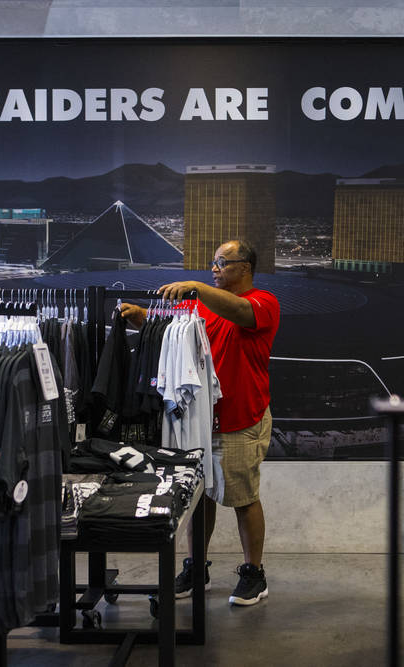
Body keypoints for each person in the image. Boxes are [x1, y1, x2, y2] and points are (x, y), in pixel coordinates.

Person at [120, 239, 280, 606]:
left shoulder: (262, 303)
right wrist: (140, 317)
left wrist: (200, 289)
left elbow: (241, 313)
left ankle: (254, 573)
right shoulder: (198, 307)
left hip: (241, 418)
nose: (215, 268)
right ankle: (196, 568)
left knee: (243, 497)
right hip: (199, 420)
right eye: (213, 263)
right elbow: (170, 330)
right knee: (198, 496)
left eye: (223, 262)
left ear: (246, 267)